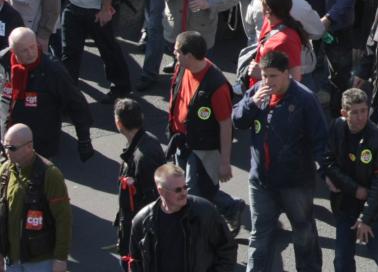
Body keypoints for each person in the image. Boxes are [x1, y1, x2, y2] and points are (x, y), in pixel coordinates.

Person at [232, 49, 328, 272]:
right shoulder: (258, 92)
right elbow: (238, 120)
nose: (267, 81)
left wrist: (326, 172)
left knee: (304, 235)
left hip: (295, 184)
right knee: (260, 235)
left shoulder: (305, 99)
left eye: (273, 76)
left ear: (287, 73)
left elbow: (321, 140)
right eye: (264, 75)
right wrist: (251, 103)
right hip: (261, 182)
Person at [167, 30, 244, 235]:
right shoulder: (182, 67)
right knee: (189, 186)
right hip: (182, 139)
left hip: (203, 146)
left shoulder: (216, 85)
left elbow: (225, 124)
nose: (174, 54)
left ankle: (198, 230)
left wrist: (224, 162)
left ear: (189, 55)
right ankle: (230, 206)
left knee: (194, 190)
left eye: (177, 52)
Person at [323, 87, 378, 272]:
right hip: (345, 205)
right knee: (342, 260)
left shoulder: (377, 137)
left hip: (373, 210)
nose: (361, 117)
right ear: (343, 113)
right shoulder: (336, 127)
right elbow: (327, 161)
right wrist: (353, 188)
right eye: (354, 112)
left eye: (364, 111)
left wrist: (365, 218)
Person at [126, 162, 239, 272]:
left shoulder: (205, 212)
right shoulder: (142, 221)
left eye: (185, 187)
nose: (184, 192)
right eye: (178, 190)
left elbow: (227, 249)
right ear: (161, 191)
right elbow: (135, 261)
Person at [1, 27, 92, 160]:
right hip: (8, 136)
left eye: (32, 47)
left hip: (39, 143)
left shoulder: (52, 71)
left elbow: (76, 103)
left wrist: (84, 139)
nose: (31, 53)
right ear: (13, 51)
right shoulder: (3, 62)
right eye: (24, 50)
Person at [0, 123, 71, 272]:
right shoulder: (5, 171)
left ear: (28, 146)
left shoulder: (50, 174)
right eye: (4, 147)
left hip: (40, 260)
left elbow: (63, 219)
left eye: (12, 148)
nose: (6, 152)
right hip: (12, 259)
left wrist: (60, 258)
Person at [114, 98, 166, 263]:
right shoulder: (147, 141)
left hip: (139, 234)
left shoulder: (143, 157)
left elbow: (153, 200)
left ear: (119, 123)